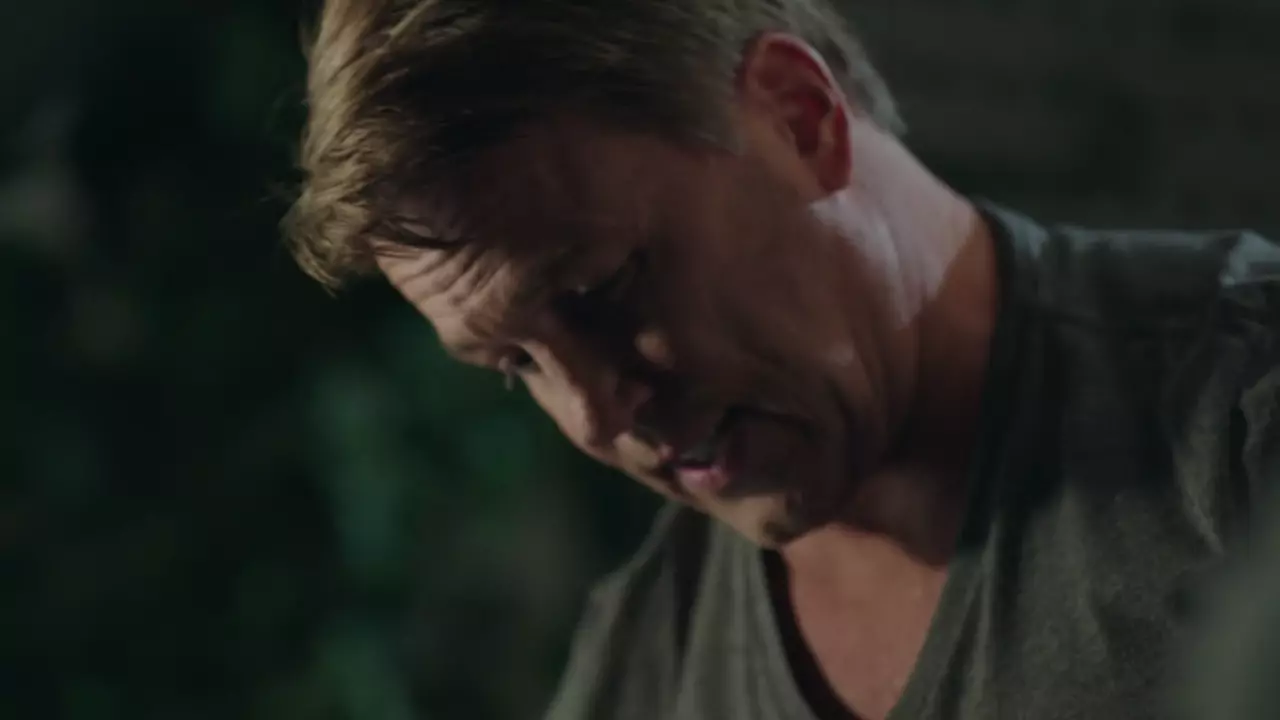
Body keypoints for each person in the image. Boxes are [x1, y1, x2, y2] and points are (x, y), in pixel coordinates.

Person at [283, 1, 1280, 718]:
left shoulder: (1242, 417)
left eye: (600, 289)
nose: (593, 415)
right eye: (516, 363)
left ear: (798, 117)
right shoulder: (641, 666)